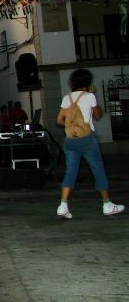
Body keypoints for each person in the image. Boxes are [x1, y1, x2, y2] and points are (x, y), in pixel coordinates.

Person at [56, 69, 124, 219]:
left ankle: (63, 205)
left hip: (70, 140)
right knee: (98, 170)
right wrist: (93, 96)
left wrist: (72, 126)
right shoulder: (89, 96)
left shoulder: (67, 98)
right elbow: (98, 115)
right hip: (87, 139)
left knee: (70, 171)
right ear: (87, 82)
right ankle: (107, 204)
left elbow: (59, 120)